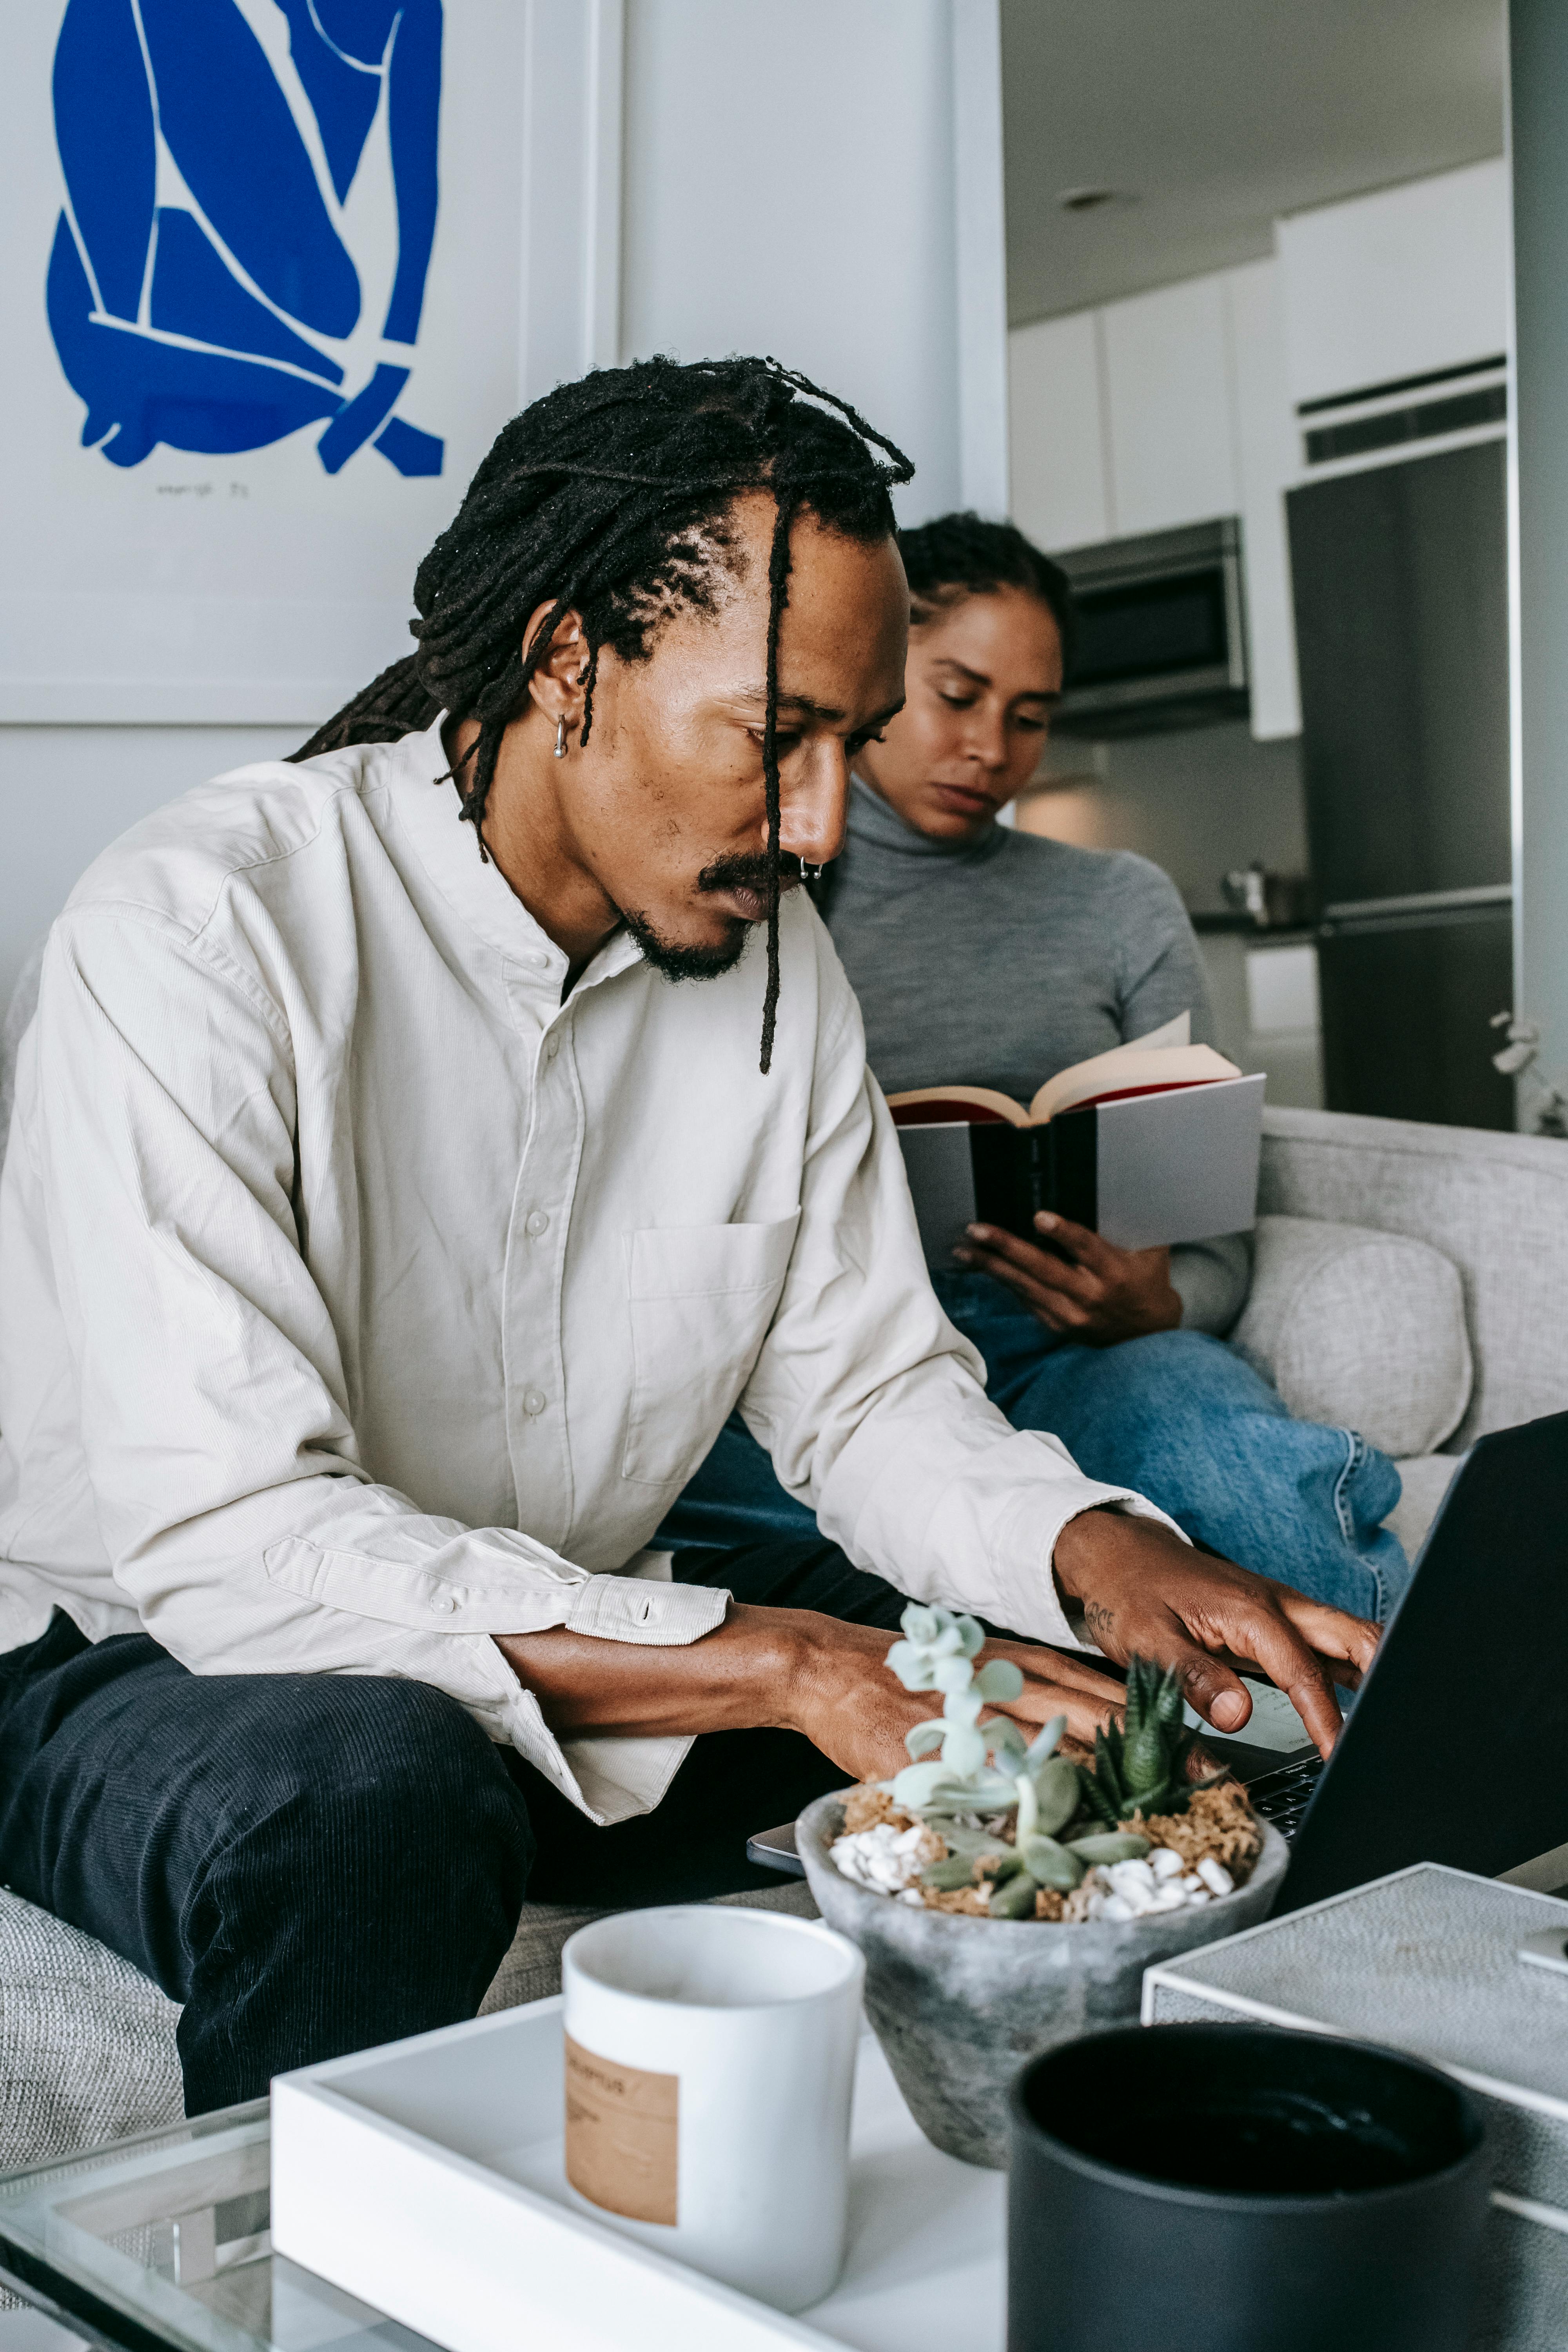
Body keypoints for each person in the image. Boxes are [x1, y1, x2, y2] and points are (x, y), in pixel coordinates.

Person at [0, 364, 1376, 2114]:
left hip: (574, 1613)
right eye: (773, 738)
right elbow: (236, 1541)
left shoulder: (770, 962)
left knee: (1118, 1715)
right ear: (568, 660)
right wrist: (789, 1667)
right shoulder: (202, 929)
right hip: (140, 1659)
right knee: (383, 1780)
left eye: (844, 747)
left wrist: (1103, 1551)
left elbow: (870, 1395)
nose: (818, 832)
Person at [659, 512, 1408, 1625]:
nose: (991, 749)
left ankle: (1417, 1765)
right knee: (720, 1540)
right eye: (956, 696)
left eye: (1031, 718)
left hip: (1069, 1346)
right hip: (831, 1360)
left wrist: (1163, 1299)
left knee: (1252, 1497)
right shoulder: (756, 886)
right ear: (875, 670)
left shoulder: (1119, 904)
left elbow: (1213, 1235)